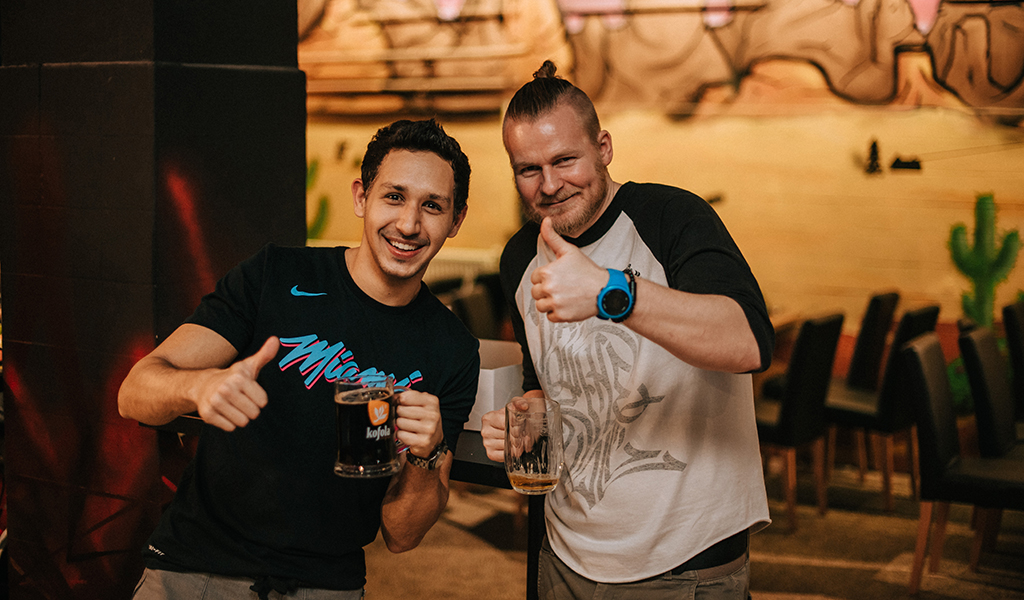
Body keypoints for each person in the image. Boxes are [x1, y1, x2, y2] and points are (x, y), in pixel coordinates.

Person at [119, 119, 481, 600]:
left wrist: (426, 453)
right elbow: (133, 393)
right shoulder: (276, 273)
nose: (409, 224)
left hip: (325, 586)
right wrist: (200, 385)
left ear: (455, 221)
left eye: (432, 206)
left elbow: (402, 536)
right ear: (361, 198)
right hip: (195, 568)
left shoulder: (452, 348)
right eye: (393, 196)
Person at [479, 61, 775, 599]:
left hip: (682, 562)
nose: (549, 185)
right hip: (564, 553)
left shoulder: (672, 217)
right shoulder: (520, 256)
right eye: (528, 169)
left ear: (604, 148)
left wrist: (613, 293)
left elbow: (748, 341)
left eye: (565, 160)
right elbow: (544, 381)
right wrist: (526, 414)